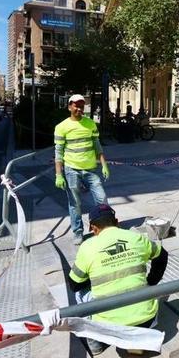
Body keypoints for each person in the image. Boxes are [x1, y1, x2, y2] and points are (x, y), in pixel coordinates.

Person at [68, 204, 168, 355]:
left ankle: (95, 344)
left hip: (110, 327)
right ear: (117, 222)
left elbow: (74, 285)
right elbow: (162, 255)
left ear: (93, 228)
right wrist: (151, 283)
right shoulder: (136, 238)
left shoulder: (87, 247)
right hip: (147, 320)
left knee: (79, 294)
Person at [55, 94, 110, 245]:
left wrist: (104, 164)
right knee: (75, 204)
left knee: (102, 198)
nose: (79, 108)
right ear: (69, 107)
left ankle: (102, 226)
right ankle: (78, 232)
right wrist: (58, 175)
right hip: (71, 170)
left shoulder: (90, 124)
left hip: (90, 170)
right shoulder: (61, 127)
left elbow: (97, 146)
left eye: (81, 105)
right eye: (76, 105)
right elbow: (58, 153)